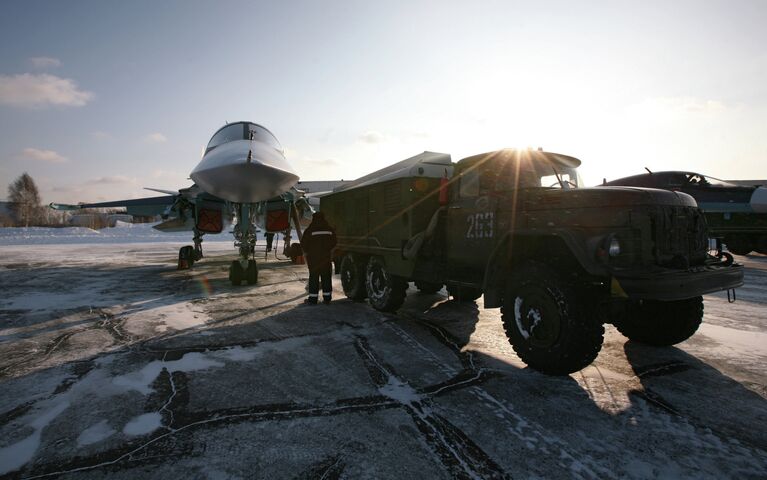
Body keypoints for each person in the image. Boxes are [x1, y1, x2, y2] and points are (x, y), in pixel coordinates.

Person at [300, 211, 337, 305]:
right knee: (326, 278)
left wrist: (308, 252)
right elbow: (334, 242)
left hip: (313, 259)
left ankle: (313, 299)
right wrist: (327, 249)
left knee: (313, 278)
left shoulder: (310, 230)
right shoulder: (329, 229)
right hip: (325, 258)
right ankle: (327, 298)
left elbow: (303, 243)